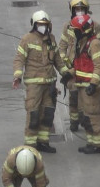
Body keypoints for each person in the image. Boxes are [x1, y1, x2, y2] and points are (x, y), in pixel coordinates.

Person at [12, 11, 71, 154]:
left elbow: (57, 59)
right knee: (33, 113)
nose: (42, 27)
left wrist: (65, 72)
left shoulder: (51, 39)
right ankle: (31, 145)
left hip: (50, 83)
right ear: (34, 24)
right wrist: (17, 76)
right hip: (34, 85)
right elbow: (19, 59)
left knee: (48, 113)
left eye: (45, 24)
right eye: (40, 24)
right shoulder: (27, 39)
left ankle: (43, 142)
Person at [58, 0, 100, 132]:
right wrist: (66, 63)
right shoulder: (68, 26)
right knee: (73, 96)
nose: (79, 11)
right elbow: (62, 46)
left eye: (82, 9)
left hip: (87, 68)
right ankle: (74, 122)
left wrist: (91, 51)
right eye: (77, 9)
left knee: (86, 97)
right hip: (73, 68)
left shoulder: (94, 26)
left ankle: (86, 120)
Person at [66, 14, 100, 154]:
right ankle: (92, 142)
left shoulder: (94, 44)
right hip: (82, 86)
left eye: (76, 30)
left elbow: (98, 66)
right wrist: (69, 73)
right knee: (86, 117)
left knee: (93, 115)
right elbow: (81, 64)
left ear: (83, 30)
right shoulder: (82, 42)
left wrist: (93, 84)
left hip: (89, 88)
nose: (74, 32)